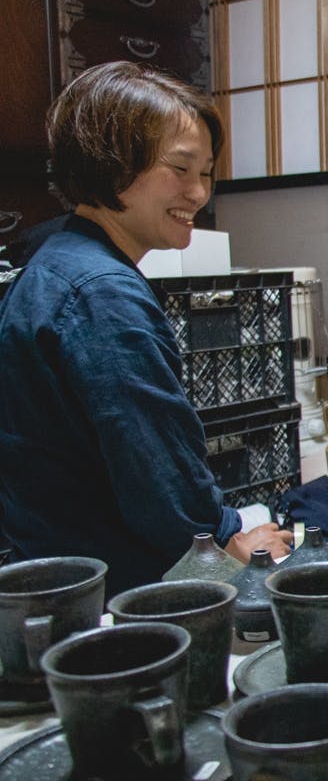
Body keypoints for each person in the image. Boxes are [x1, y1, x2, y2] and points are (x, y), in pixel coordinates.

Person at [0, 62, 292, 595]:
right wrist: (227, 540)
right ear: (111, 163)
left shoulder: (55, 257)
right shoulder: (101, 294)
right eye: (180, 168)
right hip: (118, 591)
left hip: (56, 577)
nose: (198, 193)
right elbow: (157, 475)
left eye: (206, 172)